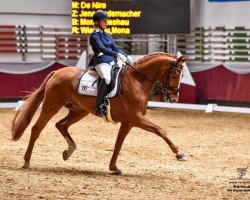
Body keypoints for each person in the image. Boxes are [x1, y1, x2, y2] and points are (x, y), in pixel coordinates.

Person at [89, 10, 129, 116]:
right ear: (97, 22)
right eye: (104, 21)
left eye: (106, 21)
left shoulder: (108, 35)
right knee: (106, 78)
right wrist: (116, 55)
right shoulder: (94, 36)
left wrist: (126, 56)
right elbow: (101, 48)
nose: (106, 23)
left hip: (111, 61)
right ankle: (98, 106)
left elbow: (116, 48)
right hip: (101, 61)